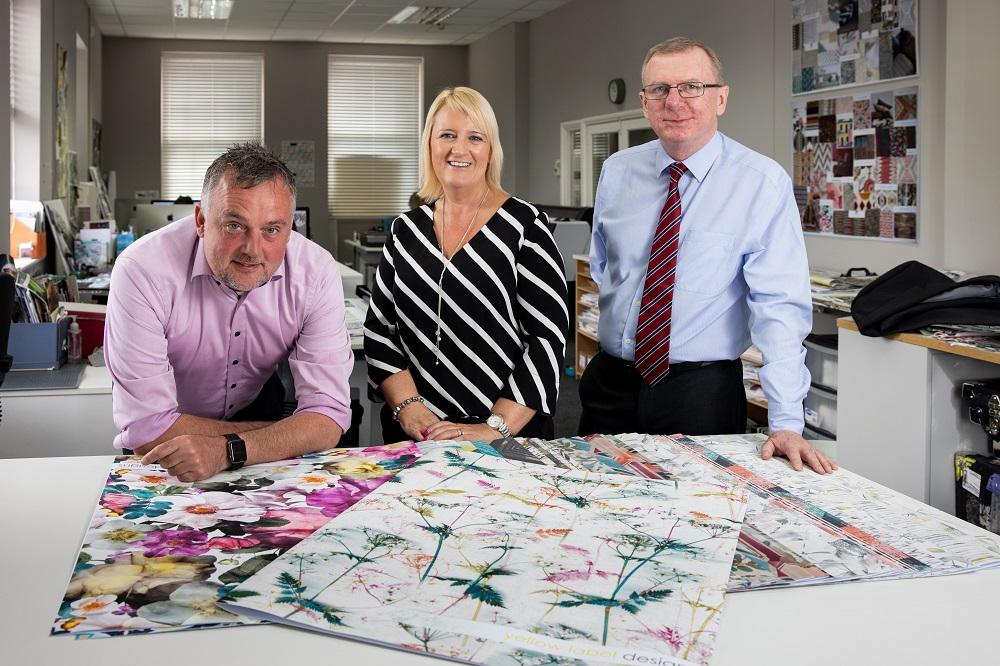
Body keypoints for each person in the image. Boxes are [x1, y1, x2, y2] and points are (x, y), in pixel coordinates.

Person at [579, 37, 836, 475]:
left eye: (691, 87)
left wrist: (787, 420)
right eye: (659, 89)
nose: (674, 101)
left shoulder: (760, 183)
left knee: (697, 521)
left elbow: (779, 309)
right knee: (594, 510)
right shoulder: (617, 170)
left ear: (721, 97)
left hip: (701, 393)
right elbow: (604, 267)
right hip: (611, 386)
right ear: (644, 102)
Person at [105, 142, 353, 482]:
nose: (253, 250)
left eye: (271, 230)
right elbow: (148, 432)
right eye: (235, 225)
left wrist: (228, 449)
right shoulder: (142, 270)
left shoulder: (316, 271)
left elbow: (327, 419)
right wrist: (285, 434)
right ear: (201, 220)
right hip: (171, 440)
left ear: (289, 228)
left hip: (254, 413)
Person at [365, 86, 568, 444]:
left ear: (491, 151)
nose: (459, 149)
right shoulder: (405, 230)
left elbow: (547, 338)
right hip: (415, 432)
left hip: (506, 435)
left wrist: (492, 429)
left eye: (475, 137)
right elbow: (380, 330)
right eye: (447, 135)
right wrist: (408, 407)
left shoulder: (525, 226)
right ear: (430, 143)